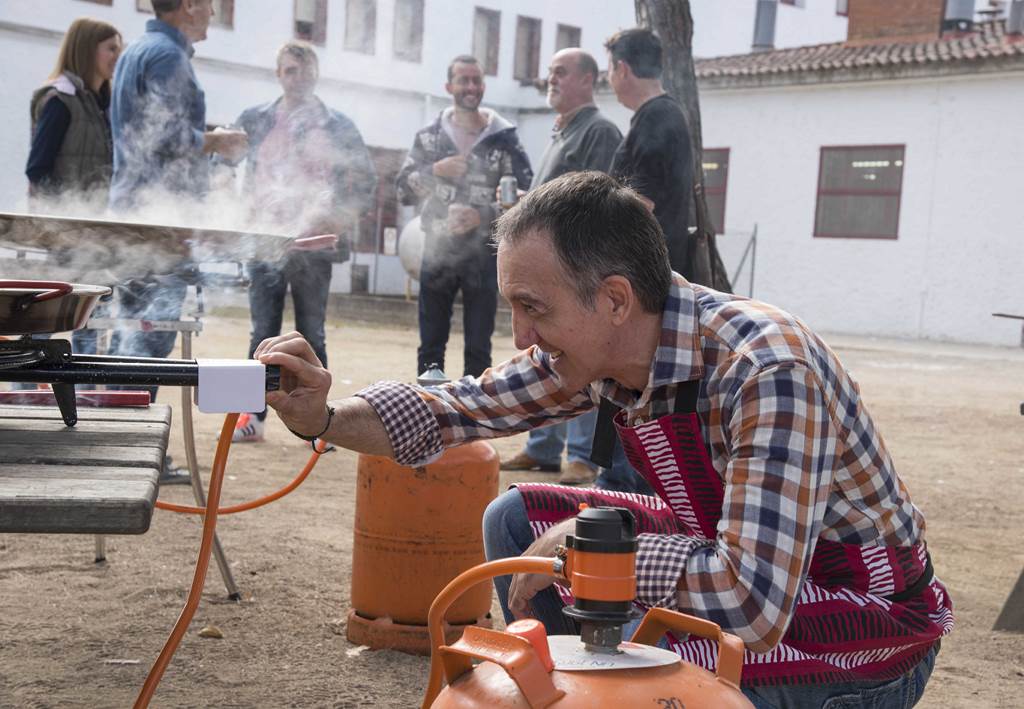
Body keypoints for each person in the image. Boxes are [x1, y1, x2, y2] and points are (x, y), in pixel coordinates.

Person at [256, 172, 951, 707]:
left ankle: (611, 687)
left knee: (656, 647)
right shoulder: (604, 346)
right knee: (516, 520)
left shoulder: (766, 369)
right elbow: (453, 410)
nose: (521, 335)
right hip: (735, 564)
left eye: (533, 308)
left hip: (858, 624)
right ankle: (582, 689)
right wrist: (324, 416)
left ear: (615, 299)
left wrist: (579, 550)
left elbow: (752, 604)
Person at [108, 0, 247, 484]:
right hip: (160, 223)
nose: (213, 13)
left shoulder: (137, 50)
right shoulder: (167, 56)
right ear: (187, 5)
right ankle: (131, 451)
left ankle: (118, 444)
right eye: (209, 4)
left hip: (135, 215)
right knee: (150, 337)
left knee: (131, 335)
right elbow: (165, 138)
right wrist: (217, 141)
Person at [497, 47, 643, 492]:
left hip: (577, 270)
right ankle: (543, 448)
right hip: (546, 270)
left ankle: (580, 457)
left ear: (587, 79)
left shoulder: (598, 130)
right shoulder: (561, 131)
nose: (551, 79)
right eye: (550, 72)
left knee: (580, 353)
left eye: (561, 72)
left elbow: (595, 201)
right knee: (545, 351)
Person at [227, 40, 376, 444]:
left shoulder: (337, 125)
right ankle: (250, 418)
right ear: (279, 74)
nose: (298, 78)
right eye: (290, 70)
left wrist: (339, 216)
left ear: (316, 75)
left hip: (315, 246)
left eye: (305, 70)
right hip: (264, 244)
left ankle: (319, 424)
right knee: (261, 333)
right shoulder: (255, 119)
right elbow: (222, 163)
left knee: (313, 334)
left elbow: (365, 180)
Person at [396, 54, 532, 379]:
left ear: (483, 85)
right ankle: (430, 405)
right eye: (463, 80)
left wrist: (483, 215)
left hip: (485, 253)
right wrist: (434, 170)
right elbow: (402, 191)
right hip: (436, 251)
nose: (471, 87)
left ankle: (476, 411)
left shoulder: (505, 137)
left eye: (476, 80)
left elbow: (527, 198)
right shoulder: (429, 137)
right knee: (430, 347)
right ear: (449, 86)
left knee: (479, 348)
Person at [23, 17, 122, 358]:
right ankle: (26, 381)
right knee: (48, 319)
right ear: (86, 49)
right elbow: (38, 169)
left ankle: (84, 382)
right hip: (64, 232)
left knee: (90, 315)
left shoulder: (100, 103)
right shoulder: (60, 100)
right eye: (111, 48)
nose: (117, 56)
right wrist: (63, 220)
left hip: (94, 231)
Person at [606, 28, 695, 279]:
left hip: (644, 273)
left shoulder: (656, 117)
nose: (609, 79)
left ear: (622, 69)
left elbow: (640, 205)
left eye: (609, 69)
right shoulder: (660, 114)